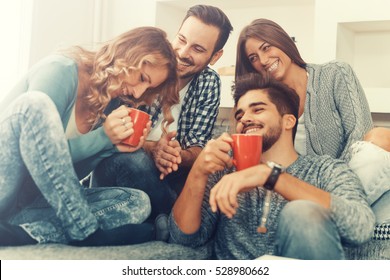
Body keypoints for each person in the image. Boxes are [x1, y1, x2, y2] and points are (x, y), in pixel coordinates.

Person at [0, 26, 179, 246]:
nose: (139, 93)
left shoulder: (111, 103)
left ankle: (18, 233)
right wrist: (103, 138)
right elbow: (34, 158)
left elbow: (62, 179)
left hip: (29, 204)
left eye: (148, 87)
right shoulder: (61, 70)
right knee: (34, 104)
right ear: (128, 53)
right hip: (5, 185)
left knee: (136, 201)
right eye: (142, 77)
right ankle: (85, 232)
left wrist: (112, 146)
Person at [168, 72, 375, 260]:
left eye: (257, 109)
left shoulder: (326, 170)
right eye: (239, 115)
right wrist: (198, 171)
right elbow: (183, 240)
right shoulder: (224, 170)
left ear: (289, 121)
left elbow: (361, 227)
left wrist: (271, 176)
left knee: (302, 212)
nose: (245, 119)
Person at [235, 19, 390, 234]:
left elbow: (358, 137)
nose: (262, 60)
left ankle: (335, 217)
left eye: (266, 47)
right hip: (287, 189)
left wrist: (328, 187)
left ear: (283, 41)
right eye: (253, 58)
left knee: (379, 139)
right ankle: (334, 224)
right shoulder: (264, 103)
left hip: (337, 183)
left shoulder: (335, 74)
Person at [93, 5, 233, 220]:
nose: (183, 53)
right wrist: (154, 149)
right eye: (182, 40)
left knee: (201, 182)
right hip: (120, 163)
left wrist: (174, 155)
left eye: (198, 49)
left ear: (215, 56)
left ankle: (154, 220)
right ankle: (168, 219)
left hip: (168, 175)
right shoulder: (147, 62)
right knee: (136, 160)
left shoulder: (208, 82)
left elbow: (197, 150)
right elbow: (107, 134)